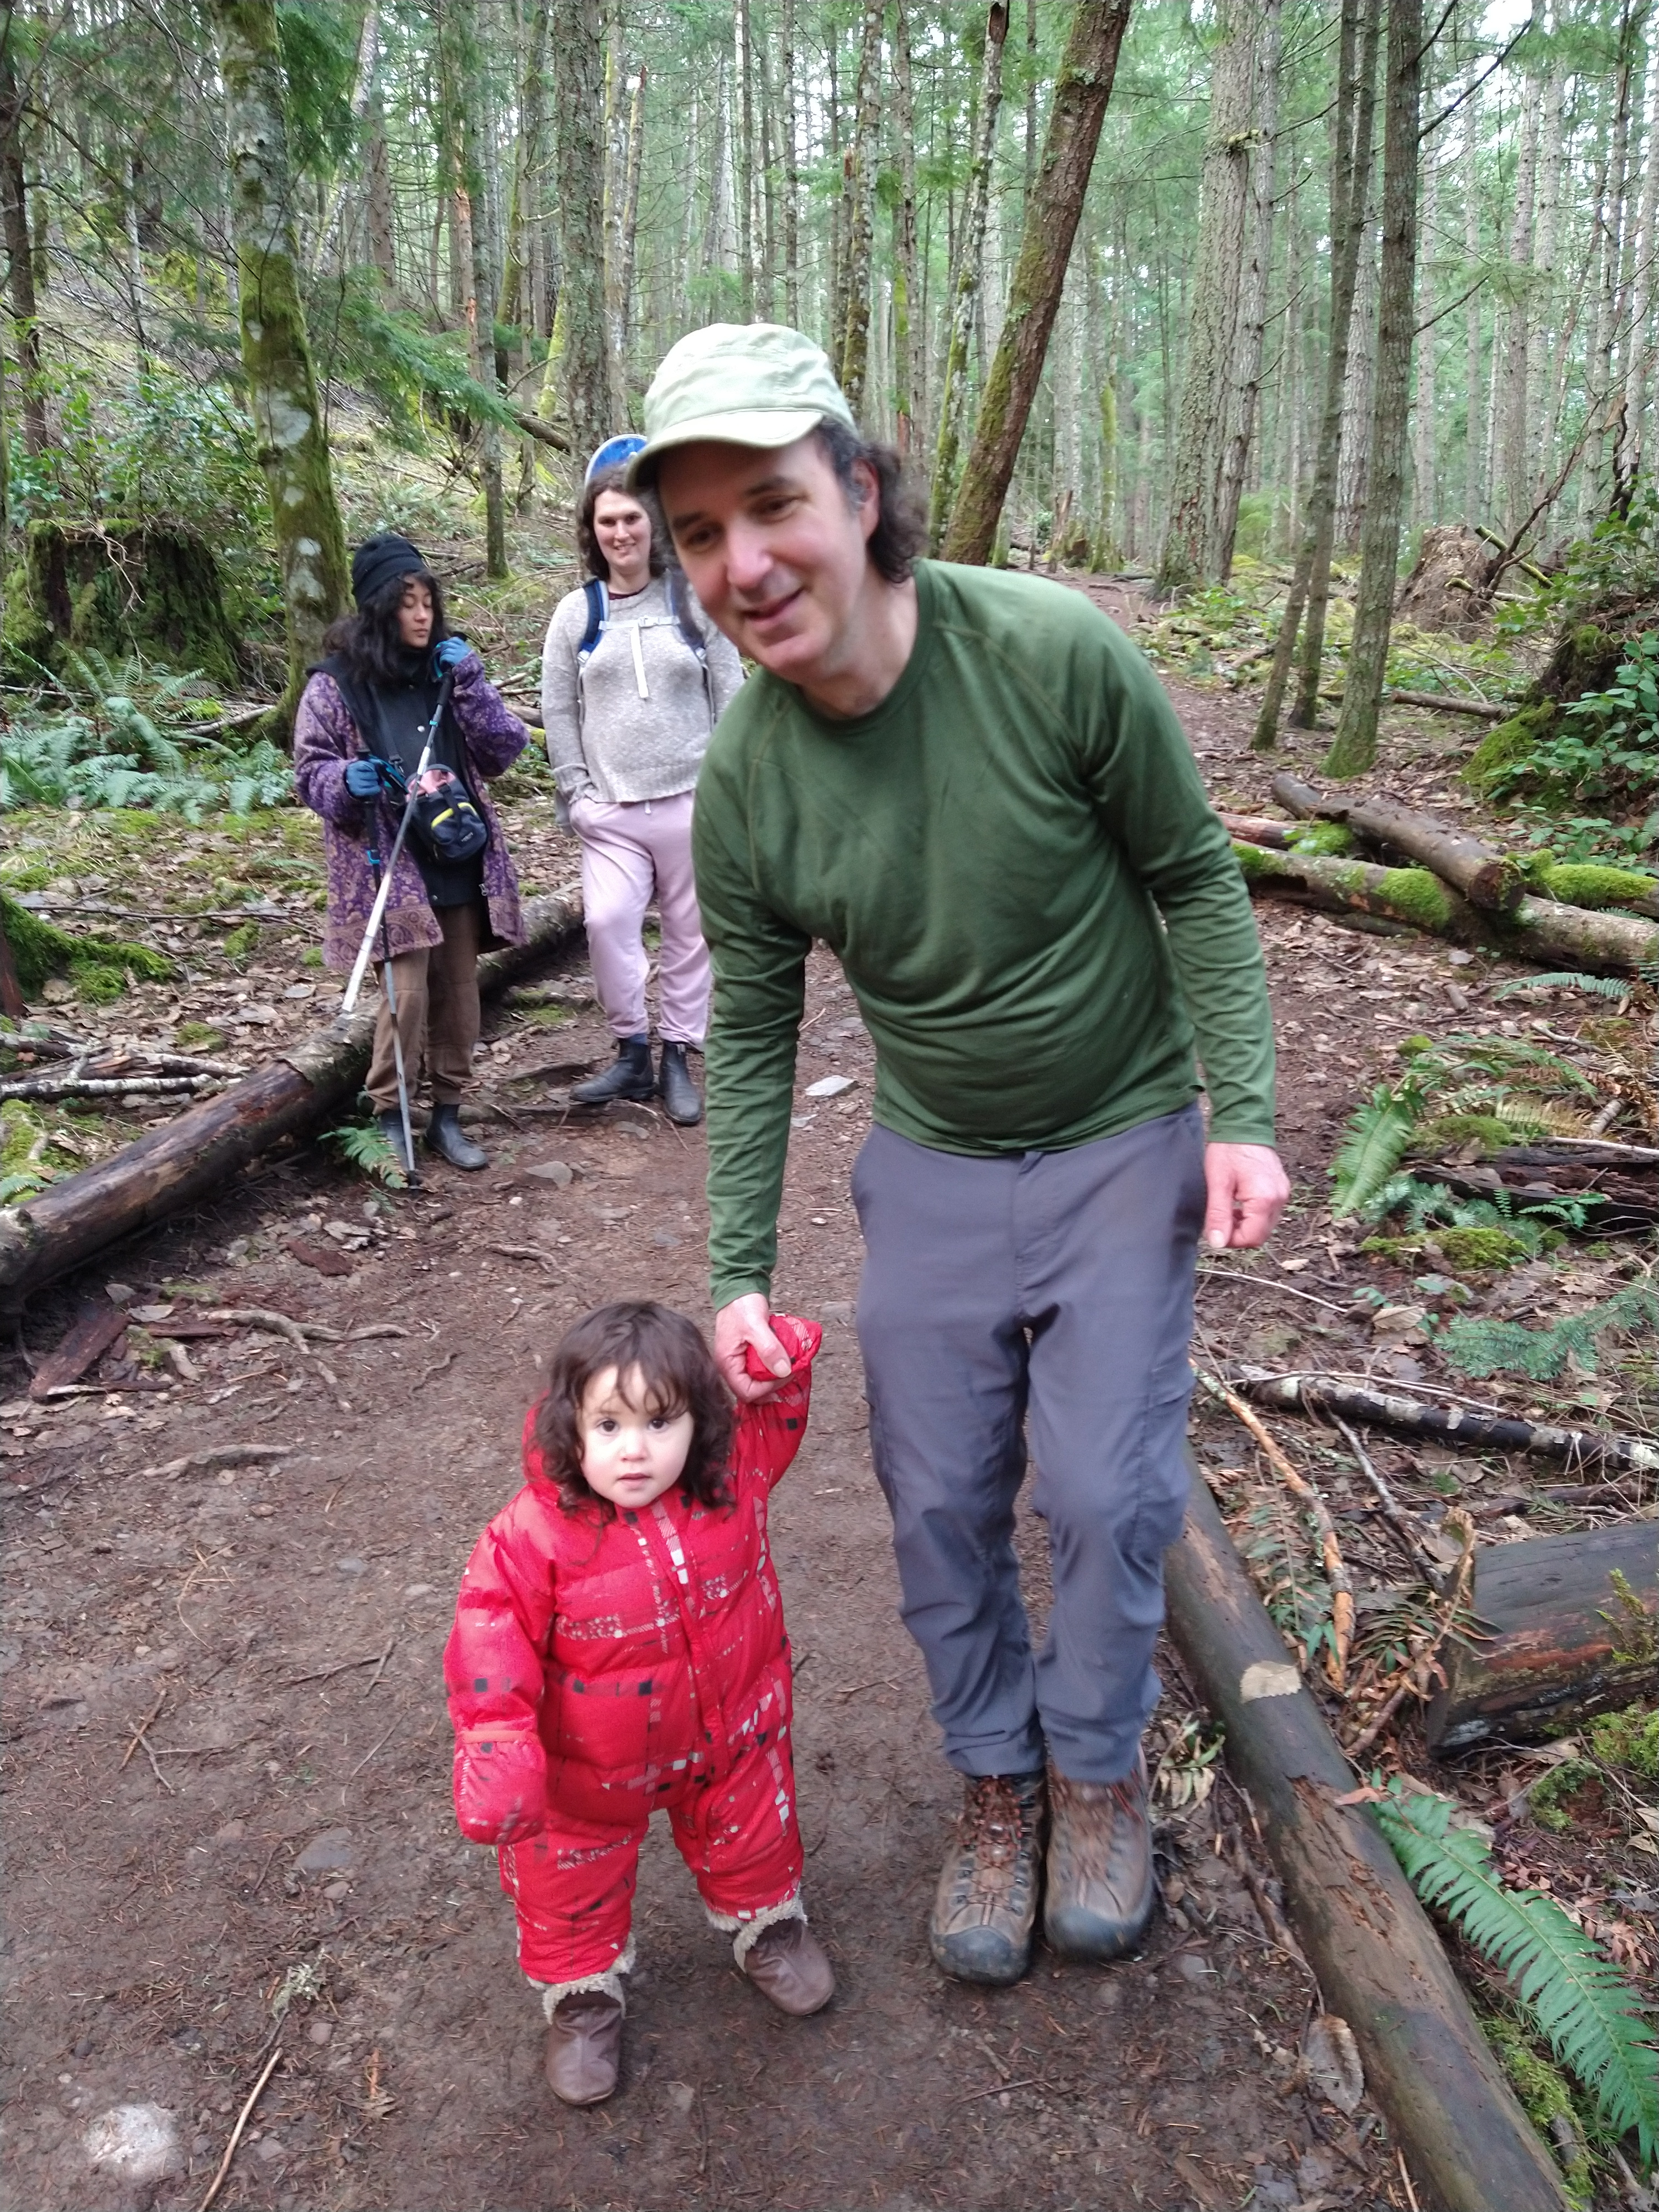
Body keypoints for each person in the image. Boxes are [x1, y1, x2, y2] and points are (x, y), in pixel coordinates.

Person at [629, 323, 1291, 1987]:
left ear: (860, 491)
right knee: (935, 1501)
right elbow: (760, 1025)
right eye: (700, 533)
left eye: (771, 505)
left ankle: (1097, 1766)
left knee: (1104, 1486)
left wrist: (1249, 1115)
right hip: (930, 1161)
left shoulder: (1051, 652)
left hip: (1122, 1135)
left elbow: (1197, 880)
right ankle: (995, 1781)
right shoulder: (751, 779)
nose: (743, 561)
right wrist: (736, 1273)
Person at [445, 1300, 834, 2107]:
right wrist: (498, 1745)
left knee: (754, 1836)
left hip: (731, 1740)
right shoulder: (532, 1534)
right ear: (570, 1426)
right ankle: (584, 1999)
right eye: (610, 1424)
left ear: (702, 1421)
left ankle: (767, 1922)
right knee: (569, 1886)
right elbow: (490, 1632)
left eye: (661, 1422)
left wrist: (776, 1359)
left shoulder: (731, 1481)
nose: (635, 1450)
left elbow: (777, 1407)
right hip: (586, 1773)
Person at [295, 533, 529, 1174]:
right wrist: (345, 780)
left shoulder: (449, 673)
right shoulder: (336, 686)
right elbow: (309, 770)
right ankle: (391, 1115)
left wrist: (472, 682)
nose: (423, 614)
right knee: (407, 995)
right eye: (407, 602)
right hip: (389, 861)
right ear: (378, 608)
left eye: (429, 600)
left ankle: (447, 1114)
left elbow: (505, 750)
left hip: (456, 848)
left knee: (459, 990)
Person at [541, 440, 744, 1126]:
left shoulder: (693, 601)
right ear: (592, 532)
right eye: (607, 522)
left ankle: (680, 1056)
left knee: (690, 932)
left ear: (653, 522)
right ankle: (631, 1050)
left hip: (693, 800)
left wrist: (728, 785)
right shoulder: (578, 613)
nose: (621, 532)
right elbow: (557, 706)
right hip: (612, 809)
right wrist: (577, 794)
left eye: (632, 518)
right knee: (606, 923)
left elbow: (733, 694)